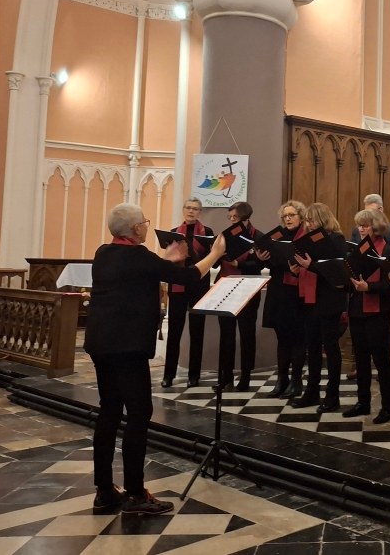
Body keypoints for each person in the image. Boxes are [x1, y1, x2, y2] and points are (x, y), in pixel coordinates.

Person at [84, 203, 226, 516]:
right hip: (128, 347)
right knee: (139, 413)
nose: (147, 226)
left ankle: (104, 491)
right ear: (136, 228)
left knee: (109, 410)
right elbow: (189, 276)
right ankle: (136, 494)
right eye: (145, 222)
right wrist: (215, 254)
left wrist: (165, 261)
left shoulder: (103, 253)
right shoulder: (141, 257)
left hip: (101, 343)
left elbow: (139, 272)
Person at [291, 202, 349, 412]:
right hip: (310, 298)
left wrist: (311, 266)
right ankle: (312, 392)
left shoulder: (336, 238)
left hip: (329, 299)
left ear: (323, 219)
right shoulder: (308, 239)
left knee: (330, 348)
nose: (309, 224)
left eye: (312, 220)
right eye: (307, 221)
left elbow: (338, 269)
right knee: (312, 347)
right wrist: (297, 268)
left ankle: (333, 396)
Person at [345, 208, 390, 423]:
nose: (361, 229)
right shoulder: (357, 250)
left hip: (379, 312)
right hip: (358, 310)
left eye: (365, 225)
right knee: (361, 359)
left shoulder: (389, 251)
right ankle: (363, 403)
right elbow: (350, 278)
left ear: (376, 227)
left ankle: (387, 407)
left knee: (381, 360)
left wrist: (370, 287)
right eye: (359, 225)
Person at [161, 198, 214, 388]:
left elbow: (212, 260)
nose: (191, 211)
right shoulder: (174, 232)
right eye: (189, 208)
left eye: (195, 209)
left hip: (198, 286)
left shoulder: (207, 232)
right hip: (178, 286)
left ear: (200, 212)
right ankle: (169, 375)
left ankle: (194, 375)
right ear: (184, 210)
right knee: (174, 332)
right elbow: (168, 259)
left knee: (197, 332)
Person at [217, 201, 270, 391]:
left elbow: (261, 265)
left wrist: (239, 264)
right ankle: (226, 376)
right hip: (226, 287)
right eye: (230, 217)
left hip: (247, 288)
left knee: (247, 334)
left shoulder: (259, 237)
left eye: (235, 217)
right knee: (226, 334)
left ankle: (245, 377)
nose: (232, 220)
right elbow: (215, 262)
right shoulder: (224, 235)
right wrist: (216, 252)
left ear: (246, 218)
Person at [261, 200, 308, 398]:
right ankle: (282, 380)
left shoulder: (306, 236)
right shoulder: (277, 236)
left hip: (297, 293)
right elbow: (272, 261)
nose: (287, 219)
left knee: (297, 337)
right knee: (282, 338)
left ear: (301, 217)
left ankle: (296, 381)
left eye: (291, 215)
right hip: (279, 290)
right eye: (285, 216)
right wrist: (262, 258)